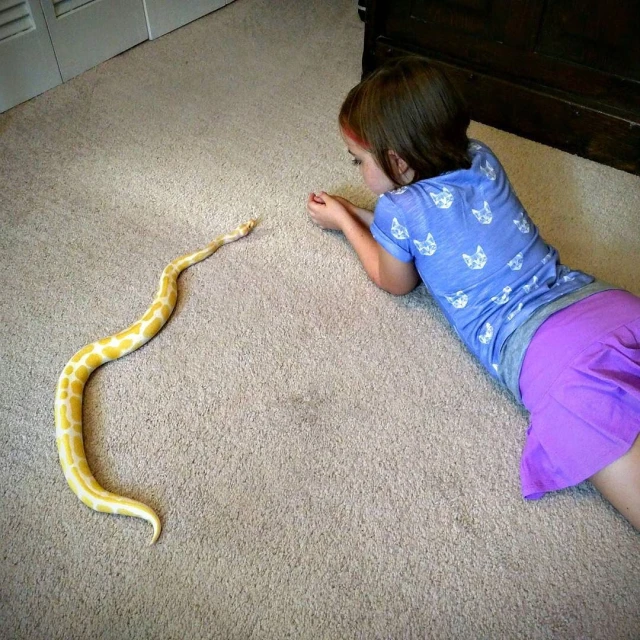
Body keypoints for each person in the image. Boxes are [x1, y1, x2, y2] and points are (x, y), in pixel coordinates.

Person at [306, 56, 640, 530]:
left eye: (358, 160)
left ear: (397, 161)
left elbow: (395, 279)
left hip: (540, 345)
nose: (357, 170)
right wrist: (361, 214)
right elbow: (424, 238)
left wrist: (342, 219)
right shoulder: (481, 156)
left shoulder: (397, 210)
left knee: (599, 429)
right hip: (600, 303)